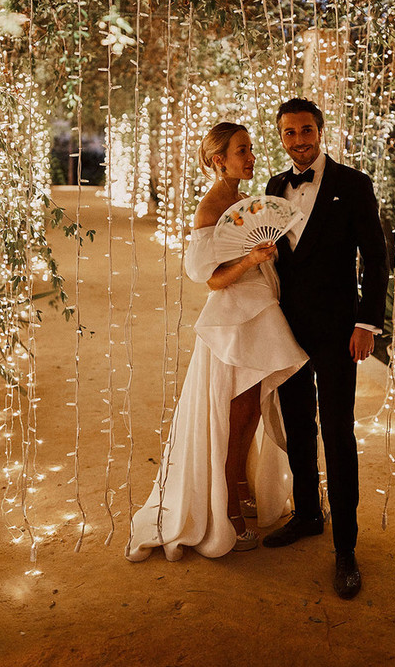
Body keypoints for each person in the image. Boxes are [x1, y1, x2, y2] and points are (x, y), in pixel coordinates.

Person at [126, 122, 308, 562]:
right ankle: (224, 503)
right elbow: (211, 280)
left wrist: (267, 255)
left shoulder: (244, 202)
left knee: (251, 412)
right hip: (234, 321)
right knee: (235, 413)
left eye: (250, 150)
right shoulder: (210, 209)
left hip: (262, 311)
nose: (250, 158)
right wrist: (251, 258)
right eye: (241, 151)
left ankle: (240, 485)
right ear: (217, 160)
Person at [263, 98, 389, 599]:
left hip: (340, 330)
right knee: (296, 425)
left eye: (307, 130)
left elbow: (376, 261)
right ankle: (309, 516)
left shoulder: (353, 185)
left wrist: (367, 324)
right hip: (285, 330)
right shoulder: (274, 188)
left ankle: (346, 548)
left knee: (337, 433)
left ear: (321, 130)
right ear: (282, 137)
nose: (299, 140)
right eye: (290, 133)